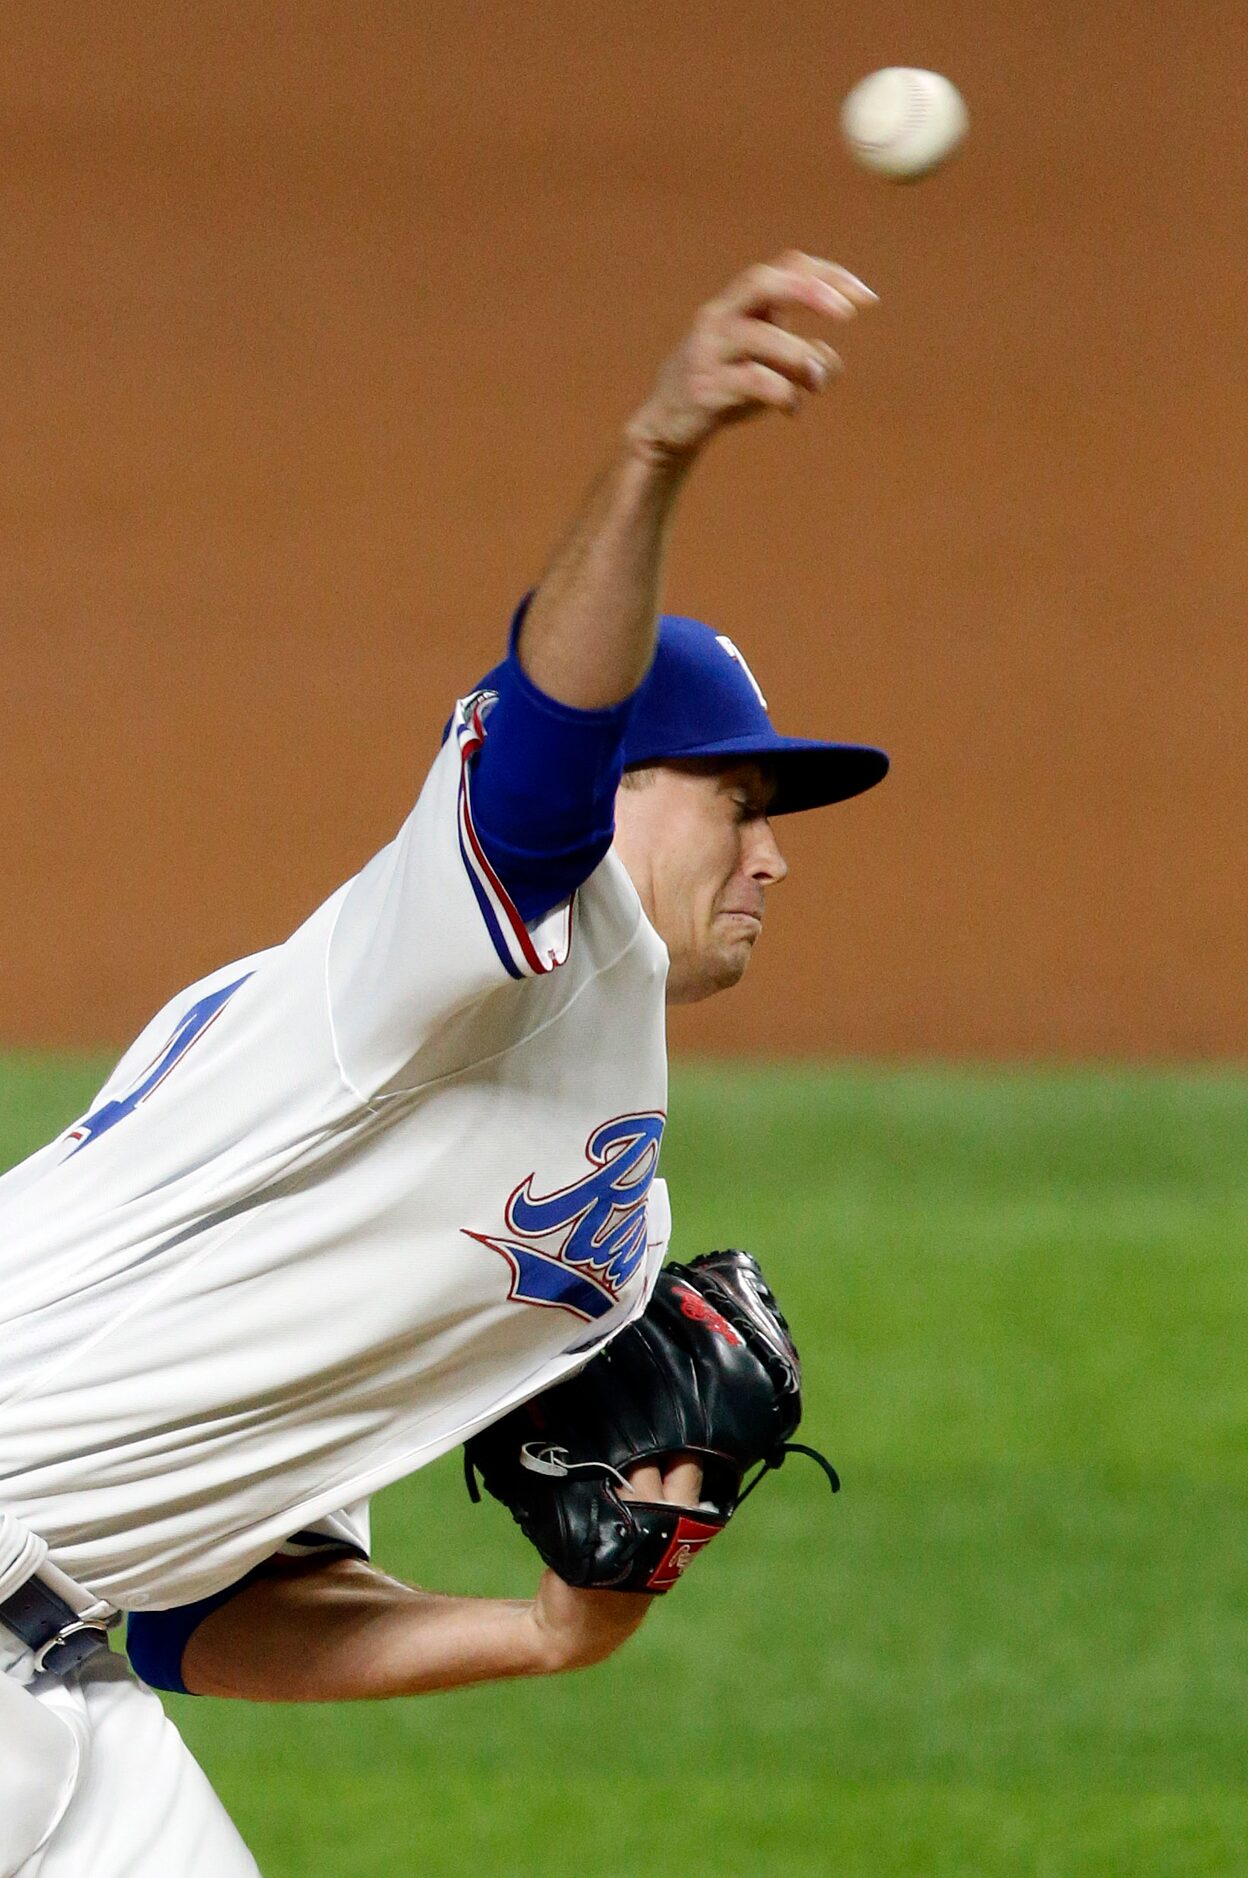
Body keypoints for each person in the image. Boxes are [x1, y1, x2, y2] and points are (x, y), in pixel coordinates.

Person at [0, 250, 887, 1875]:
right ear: (619, 792)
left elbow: (209, 1610)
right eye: (737, 801)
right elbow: (542, 756)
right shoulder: (443, 962)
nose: (772, 855)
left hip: (55, 1685)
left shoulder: (605, 1216)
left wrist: (549, 1628)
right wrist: (654, 453)